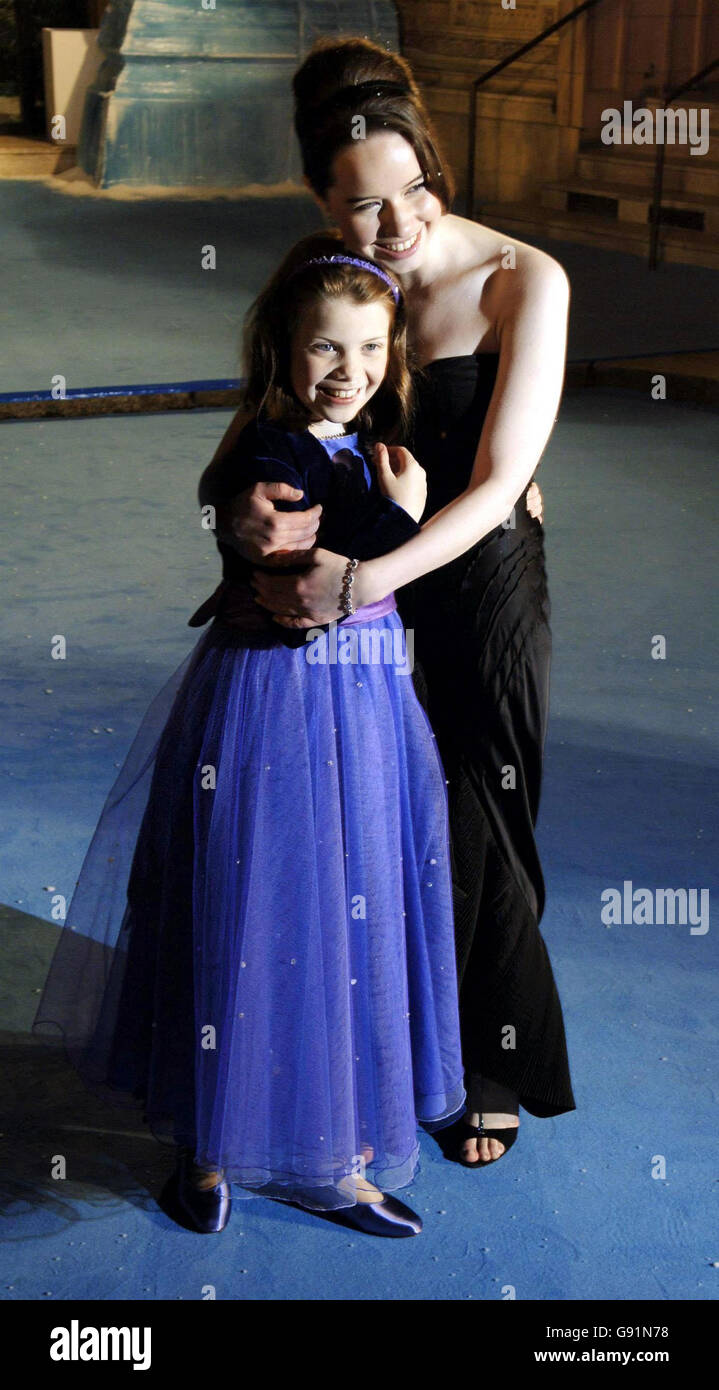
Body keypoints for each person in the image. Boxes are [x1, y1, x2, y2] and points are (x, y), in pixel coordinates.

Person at [32, 233, 467, 1239]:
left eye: (368, 348)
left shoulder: (370, 440)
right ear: (282, 350)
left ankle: (333, 1151)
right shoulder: (274, 450)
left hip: (363, 697)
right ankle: (210, 1137)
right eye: (324, 349)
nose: (347, 372)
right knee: (254, 898)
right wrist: (404, 519)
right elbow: (291, 529)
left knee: (348, 909)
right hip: (273, 701)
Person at [205, 37, 577, 1167]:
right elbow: (259, 440)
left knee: (480, 813)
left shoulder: (524, 279)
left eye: (412, 188)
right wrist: (242, 523)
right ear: (321, 200)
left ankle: (494, 1059)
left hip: (471, 579)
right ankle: (361, 1035)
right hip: (354, 587)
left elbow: (501, 486)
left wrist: (362, 579)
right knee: (362, 821)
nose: (396, 224)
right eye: (362, 206)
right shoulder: (325, 279)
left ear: (433, 166)